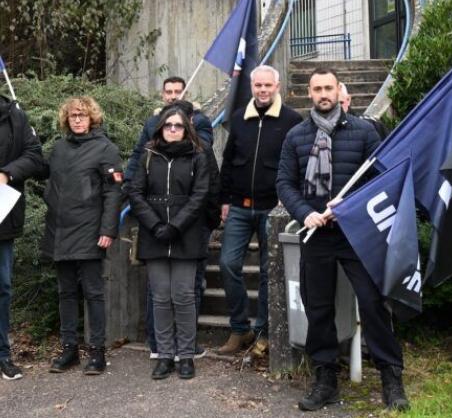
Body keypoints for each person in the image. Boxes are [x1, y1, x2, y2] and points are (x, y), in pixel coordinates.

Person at [277, 67, 409, 411]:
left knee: (373, 303)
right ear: (309, 93)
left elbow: (382, 179)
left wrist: (349, 205)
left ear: (339, 91)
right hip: (316, 233)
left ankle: (390, 377)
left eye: (328, 88)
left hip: (356, 234)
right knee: (318, 308)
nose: (323, 94)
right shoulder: (296, 137)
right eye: (317, 88)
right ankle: (325, 379)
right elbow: (285, 184)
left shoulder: (365, 132)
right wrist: (304, 212)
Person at [125, 77, 213, 359]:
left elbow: (200, 195)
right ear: (161, 128)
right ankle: (163, 354)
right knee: (160, 298)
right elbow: (136, 191)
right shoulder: (148, 156)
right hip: (155, 236)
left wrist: (176, 226)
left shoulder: (198, 156)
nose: (172, 129)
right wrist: (155, 225)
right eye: (168, 125)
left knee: (184, 297)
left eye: (178, 125)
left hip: (186, 235)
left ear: (185, 128)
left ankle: (185, 355)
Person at [217, 65, 302, 356]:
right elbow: (228, 162)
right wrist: (224, 200)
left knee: (269, 271)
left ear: (277, 86)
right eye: (258, 85)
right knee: (228, 264)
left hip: (272, 208)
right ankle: (240, 329)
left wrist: (288, 197)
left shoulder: (292, 120)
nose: (263, 90)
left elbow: (297, 165)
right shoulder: (239, 118)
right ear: (252, 86)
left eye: (268, 85)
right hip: (240, 207)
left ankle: (264, 332)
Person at [41, 97, 122, 375]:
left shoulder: (106, 149)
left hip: (90, 231)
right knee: (65, 293)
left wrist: (107, 229)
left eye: (82, 115)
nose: (77, 119)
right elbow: (44, 174)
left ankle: (97, 352)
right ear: (66, 119)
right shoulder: (59, 148)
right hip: (59, 230)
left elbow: (113, 193)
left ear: (92, 119)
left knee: (93, 293)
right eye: (73, 115)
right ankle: (69, 350)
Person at [0, 94, 45, 381]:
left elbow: (34, 156)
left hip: (3, 215)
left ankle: (3, 354)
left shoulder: (15, 115)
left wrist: (6, 173)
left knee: (2, 288)